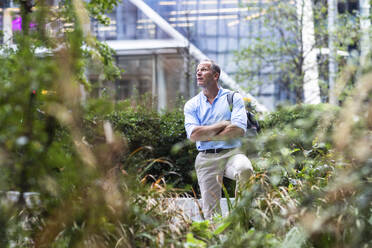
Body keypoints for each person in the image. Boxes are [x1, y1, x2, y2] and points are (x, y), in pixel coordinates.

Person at [184, 59, 253, 219]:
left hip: (232, 153)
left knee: (245, 169)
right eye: (197, 71)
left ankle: (238, 215)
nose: (199, 73)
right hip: (206, 158)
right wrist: (222, 124)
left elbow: (238, 129)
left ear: (216, 75)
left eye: (204, 70)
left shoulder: (233, 98)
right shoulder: (192, 105)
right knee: (211, 216)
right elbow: (194, 135)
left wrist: (206, 135)